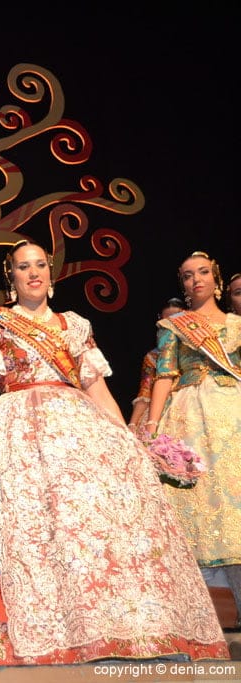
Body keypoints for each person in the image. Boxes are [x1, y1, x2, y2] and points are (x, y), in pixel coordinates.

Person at [0, 238, 227, 666]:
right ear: (11, 278)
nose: (34, 273)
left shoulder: (75, 325)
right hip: (17, 430)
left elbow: (96, 388)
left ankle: (105, 629)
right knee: (33, 529)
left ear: (50, 274)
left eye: (40, 265)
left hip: (77, 425)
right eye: (23, 267)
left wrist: (128, 438)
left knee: (91, 523)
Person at [145, 252, 241, 621]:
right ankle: (196, 615)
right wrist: (152, 427)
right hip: (189, 414)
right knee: (195, 504)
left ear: (216, 280)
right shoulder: (174, 326)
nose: (195, 280)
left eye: (202, 273)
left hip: (232, 413)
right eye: (187, 275)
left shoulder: (236, 324)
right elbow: (164, 375)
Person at [127, 297, 186, 429]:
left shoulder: (195, 351)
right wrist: (132, 424)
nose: (172, 326)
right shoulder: (153, 357)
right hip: (160, 411)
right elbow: (145, 391)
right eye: (167, 321)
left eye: (177, 319)